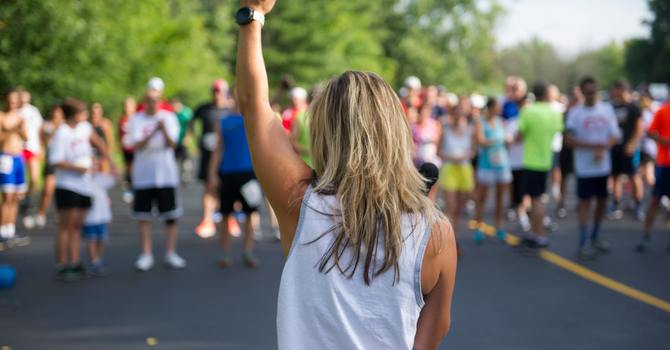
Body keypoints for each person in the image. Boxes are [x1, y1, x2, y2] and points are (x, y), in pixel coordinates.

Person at [236, 2, 456, 349]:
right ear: (395, 130)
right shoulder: (437, 231)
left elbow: (253, 106)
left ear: (326, 132)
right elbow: (434, 331)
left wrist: (253, 15)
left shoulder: (302, 204)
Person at [125, 84, 187, 271]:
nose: (152, 104)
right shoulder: (136, 119)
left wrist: (163, 130)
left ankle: (170, 252)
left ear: (160, 102)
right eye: (149, 101)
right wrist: (153, 131)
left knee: (170, 216)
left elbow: (173, 144)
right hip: (144, 176)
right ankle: (146, 254)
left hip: (165, 175)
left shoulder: (168, 118)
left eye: (155, 101)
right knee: (143, 217)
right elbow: (134, 145)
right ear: (144, 102)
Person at [49, 98, 106, 281]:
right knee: (66, 225)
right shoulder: (62, 133)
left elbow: (99, 145)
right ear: (74, 114)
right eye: (82, 112)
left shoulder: (85, 128)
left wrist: (100, 160)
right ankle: (62, 264)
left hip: (85, 184)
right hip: (67, 185)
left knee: (77, 226)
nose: (86, 115)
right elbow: (55, 160)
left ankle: (75, 261)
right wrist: (77, 168)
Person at [565, 77, 621, 260]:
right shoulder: (575, 113)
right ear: (582, 92)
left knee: (602, 202)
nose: (591, 95)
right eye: (587, 92)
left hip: (602, 167)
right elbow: (569, 139)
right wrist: (592, 147)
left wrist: (603, 146)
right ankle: (583, 240)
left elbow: (615, 135)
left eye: (593, 92)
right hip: (585, 167)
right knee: (584, 203)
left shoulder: (606, 109)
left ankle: (595, 236)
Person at [208, 98, 260, 268]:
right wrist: (212, 173)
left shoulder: (251, 119)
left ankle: (248, 251)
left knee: (250, 214)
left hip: (247, 174)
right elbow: (218, 149)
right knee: (225, 214)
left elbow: (266, 103)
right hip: (227, 173)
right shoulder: (222, 122)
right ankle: (224, 253)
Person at [517, 81, 564, 248]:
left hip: (531, 161)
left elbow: (520, 134)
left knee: (536, 199)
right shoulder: (554, 112)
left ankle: (539, 235)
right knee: (536, 198)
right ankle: (535, 232)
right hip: (546, 160)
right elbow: (557, 131)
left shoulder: (528, 111)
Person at [193, 79, 234, 239]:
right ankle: (207, 220)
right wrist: (196, 139)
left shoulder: (230, 110)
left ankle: (229, 218)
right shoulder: (203, 108)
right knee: (208, 186)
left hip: (226, 155)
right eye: (215, 91)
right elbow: (190, 121)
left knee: (227, 188)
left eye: (220, 91)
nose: (217, 94)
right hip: (207, 154)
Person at [473, 98, 511, 243]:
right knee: (482, 197)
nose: (499, 110)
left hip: (502, 164)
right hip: (486, 164)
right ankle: (478, 227)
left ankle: (499, 226)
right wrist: (499, 141)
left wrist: (506, 141)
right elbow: (481, 141)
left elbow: (507, 138)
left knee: (501, 197)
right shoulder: (480, 122)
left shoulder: (500, 122)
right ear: (490, 108)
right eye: (497, 107)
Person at [437, 104, 475, 247]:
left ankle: (455, 238)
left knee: (459, 208)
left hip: (464, 169)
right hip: (450, 169)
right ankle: (448, 241)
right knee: (451, 207)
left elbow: (473, 150)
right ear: (452, 114)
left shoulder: (470, 131)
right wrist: (452, 158)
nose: (459, 115)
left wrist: (466, 155)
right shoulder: (445, 130)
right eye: (457, 112)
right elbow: (438, 151)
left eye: (462, 112)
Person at [637, 95, 670, 252]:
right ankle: (646, 235)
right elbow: (650, 132)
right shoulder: (663, 111)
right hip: (664, 164)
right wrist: (663, 140)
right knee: (655, 200)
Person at [609, 81, 644, 220]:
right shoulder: (612, 106)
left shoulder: (634, 106)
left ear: (624, 90)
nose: (615, 93)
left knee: (634, 176)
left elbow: (639, 127)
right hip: (615, 148)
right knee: (615, 176)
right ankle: (616, 205)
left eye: (617, 90)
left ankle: (638, 205)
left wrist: (632, 143)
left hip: (629, 148)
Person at [0, 90, 28, 244]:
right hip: (6, 157)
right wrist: (11, 129)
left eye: (15, 101)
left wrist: (21, 128)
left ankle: (10, 229)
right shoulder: (2, 116)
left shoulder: (20, 117)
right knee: (7, 196)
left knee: (17, 196)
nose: (13, 104)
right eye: (10, 101)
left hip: (18, 158)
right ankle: (2, 230)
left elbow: (26, 137)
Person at [81, 159, 115, 275]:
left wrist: (111, 162)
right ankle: (94, 261)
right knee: (91, 239)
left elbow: (114, 177)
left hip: (102, 216)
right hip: (89, 218)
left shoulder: (101, 178)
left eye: (95, 165)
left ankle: (98, 259)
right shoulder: (82, 180)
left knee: (101, 239)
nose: (93, 168)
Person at [35, 103, 65, 228]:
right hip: (51, 161)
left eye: (59, 111)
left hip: (64, 162)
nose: (56, 114)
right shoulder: (47, 125)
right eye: (55, 111)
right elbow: (43, 141)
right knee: (47, 190)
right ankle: (41, 214)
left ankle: (60, 213)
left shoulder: (66, 125)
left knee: (63, 190)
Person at [17, 88, 43, 228]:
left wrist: (41, 147)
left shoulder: (33, 111)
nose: (23, 100)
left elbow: (39, 129)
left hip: (32, 147)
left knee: (34, 179)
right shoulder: (15, 112)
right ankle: (23, 204)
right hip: (19, 148)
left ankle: (27, 200)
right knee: (21, 180)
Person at [556, 87, 583, 218]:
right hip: (566, 150)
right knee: (564, 177)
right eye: (574, 96)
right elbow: (562, 130)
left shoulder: (584, 112)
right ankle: (561, 203)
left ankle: (580, 202)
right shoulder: (566, 112)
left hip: (580, 150)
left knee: (580, 177)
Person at [170, 96, 194, 182]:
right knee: (174, 158)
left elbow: (190, 125)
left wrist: (187, 136)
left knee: (185, 157)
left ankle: (185, 174)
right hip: (174, 140)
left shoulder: (186, 113)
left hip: (183, 138)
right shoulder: (171, 114)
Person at [118, 96, 137, 203]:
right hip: (126, 149)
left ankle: (137, 190)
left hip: (136, 149)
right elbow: (119, 134)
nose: (127, 108)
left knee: (136, 170)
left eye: (129, 105)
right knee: (128, 170)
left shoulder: (138, 118)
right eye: (125, 105)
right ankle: (129, 190)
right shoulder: (122, 119)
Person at [288, 87, 312, 167]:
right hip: (304, 163)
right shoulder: (290, 113)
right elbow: (291, 141)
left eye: (295, 98)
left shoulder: (324, 117)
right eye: (292, 98)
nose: (293, 101)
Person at [90, 102, 115, 173]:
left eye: (97, 112)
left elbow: (110, 141)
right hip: (92, 154)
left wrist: (108, 154)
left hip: (103, 153)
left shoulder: (105, 123)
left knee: (104, 173)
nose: (95, 114)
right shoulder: (88, 124)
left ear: (101, 112)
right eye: (93, 112)